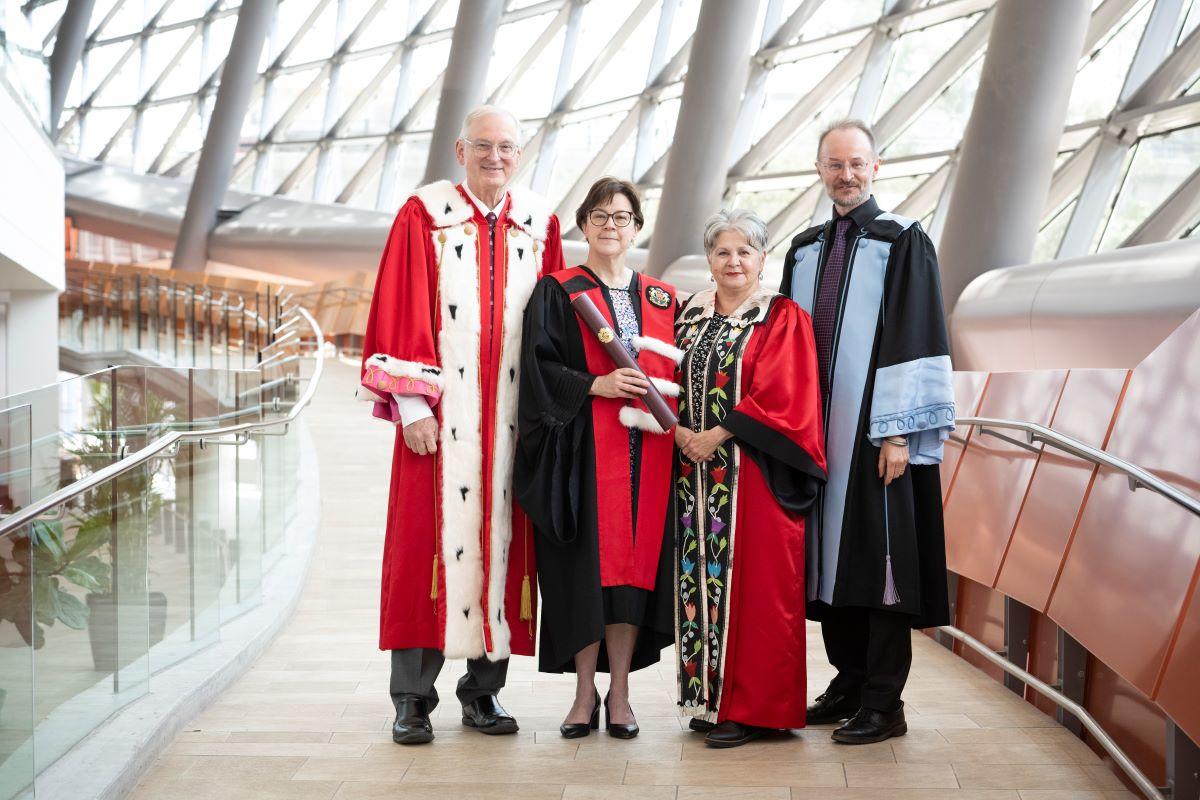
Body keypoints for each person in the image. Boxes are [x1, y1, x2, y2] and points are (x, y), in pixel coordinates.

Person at [357, 105, 565, 745]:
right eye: (483, 145)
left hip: (512, 425)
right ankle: (412, 699)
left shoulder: (540, 224)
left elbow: (556, 324)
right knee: (425, 547)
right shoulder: (424, 216)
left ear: (520, 154)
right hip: (441, 425)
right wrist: (413, 406)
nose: (495, 157)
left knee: (503, 548)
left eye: (507, 146)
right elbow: (399, 305)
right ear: (460, 149)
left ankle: (483, 694)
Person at [780, 118, 954, 745]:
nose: (846, 174)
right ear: (820, 170)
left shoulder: (904, 241)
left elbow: (918, 334)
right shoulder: (803, 249)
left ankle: (886, 702)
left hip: (876, 437)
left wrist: (900, 434)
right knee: (830, 566)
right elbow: (781, 343)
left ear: (876, 167)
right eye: (834, 164)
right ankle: (849, 680)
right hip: (813, 433)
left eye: (857, 163)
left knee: (881, 567)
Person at [515, 177, 677, 740]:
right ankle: (584, 694)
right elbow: (538, 370)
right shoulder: (559, 291)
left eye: (624, 217)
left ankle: (622, 695)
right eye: (601, 216)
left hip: (646, 458)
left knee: (631, 580)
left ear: (637, 227)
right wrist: (594, 386)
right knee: (585, 575)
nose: (612, 227)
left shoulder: (661, 297)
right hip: (583, 455)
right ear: (584, 224)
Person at [672, 208, 826, 748]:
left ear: (763, 259)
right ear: (709, 260)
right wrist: (676, 430)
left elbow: (787, 394)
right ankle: (715, 698)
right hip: (694, 477)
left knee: (757, 590)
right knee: (702, 582)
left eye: (745, 251)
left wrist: (715, 434)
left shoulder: (781, 316)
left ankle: (757, 709)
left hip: (757, 474)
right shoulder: (689, 315)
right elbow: (665, 380)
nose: (733, 261)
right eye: (722, 251)